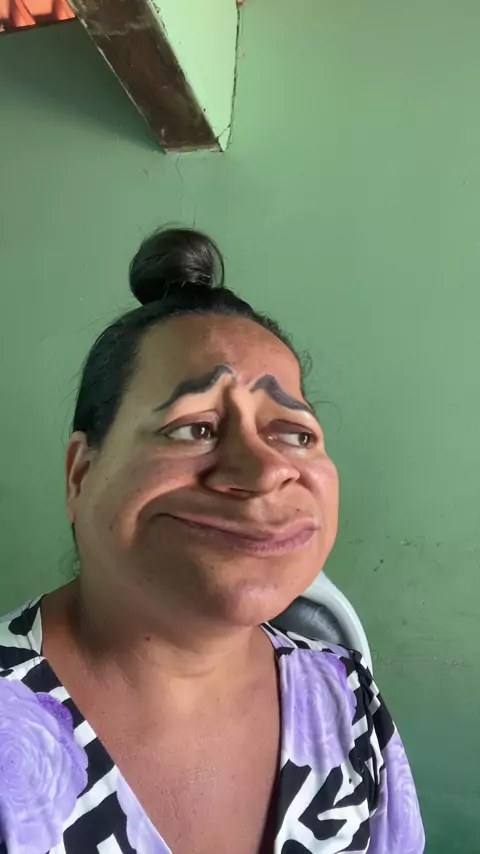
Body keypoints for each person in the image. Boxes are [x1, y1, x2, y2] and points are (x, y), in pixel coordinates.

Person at [0, 228, 424, 854]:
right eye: (194, 427)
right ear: (81, 476)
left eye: (295, 433)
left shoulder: (345, 694)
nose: (265, 470)